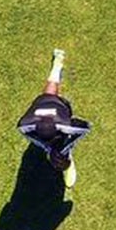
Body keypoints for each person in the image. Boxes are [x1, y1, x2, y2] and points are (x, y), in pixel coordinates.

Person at [17, 48, 91, 200]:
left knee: (51, 93)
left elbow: (85, 127)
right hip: (42, 102)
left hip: (60, 107)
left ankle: (67, 160)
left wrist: (65, 147)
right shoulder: (26, 126)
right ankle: (57, 64)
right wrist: (50, 150)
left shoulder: (65, 125)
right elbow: (33, 137)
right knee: (49, 93)